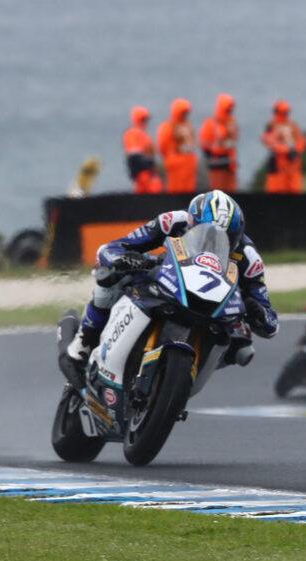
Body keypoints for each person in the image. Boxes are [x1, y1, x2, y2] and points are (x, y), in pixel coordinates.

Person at [62, 190, 279, 366]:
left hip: (214, 305)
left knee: (243, 347)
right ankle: (85, 338)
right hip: (167, 279)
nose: (212, 242)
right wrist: (126, 260)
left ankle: (185, 380)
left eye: (224, 238)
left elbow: (271, 323)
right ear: (192, 223)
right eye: (206, 232)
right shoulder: (173, 221)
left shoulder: (249, 258)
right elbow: (109, 249)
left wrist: (257, 312)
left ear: (237, 236)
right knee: (111, 277)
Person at [261, 100, 306, 194]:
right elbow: (268, 140)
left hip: (293, 166)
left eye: (286, 112)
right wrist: (286, 150)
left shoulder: (292, 125)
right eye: (283, 112)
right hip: (279, 167)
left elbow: (302, 140)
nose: (285, 114)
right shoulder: (272, 125)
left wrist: (296, 150)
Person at [199, 93, 239, 192]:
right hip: (216, 165)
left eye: (231, 109)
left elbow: (234, 140)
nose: (230, 111)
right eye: (228, 109)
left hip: (229, 165)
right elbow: (204, 144)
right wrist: (217, 147)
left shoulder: (231, 123)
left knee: (230, 193)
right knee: (217, 193)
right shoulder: (211, 123)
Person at [157, 98, 197, 194]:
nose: (184, 115)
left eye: (186, 112)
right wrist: (171, 159)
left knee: (189, 190)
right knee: (175, 190)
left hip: (188, 163)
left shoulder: (188, 126)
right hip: (175, 165)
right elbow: (162, 146)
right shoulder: (168, 126)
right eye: (182, 112)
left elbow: (192, 144)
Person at [122, 106, 163, 194]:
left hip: (146, 168)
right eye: (144, 119)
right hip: (141, 168)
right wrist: (147, 164)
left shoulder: (142, 133)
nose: (146, 122)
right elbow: (134, 155)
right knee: (148, 189)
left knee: (151, 188)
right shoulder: (132, 133)